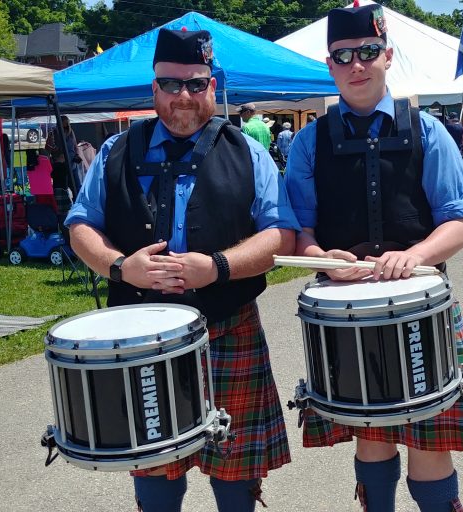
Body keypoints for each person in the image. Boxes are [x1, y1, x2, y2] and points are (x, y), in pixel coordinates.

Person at [65, 28, 297, 512]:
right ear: (153, 90)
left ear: (213, 85)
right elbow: (81, 226)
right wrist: (120, 267)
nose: (183, 96)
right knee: (154, 468)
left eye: (195, 84)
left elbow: (281, 236)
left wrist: (218, 267)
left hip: (228, 328)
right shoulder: (115, 152)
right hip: (139, 338)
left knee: (234, 471)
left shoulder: (249, 152)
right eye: (170, 85)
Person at [284, 5, 463, 510]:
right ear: (330, 64)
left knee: (431, 443)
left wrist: (415, 253)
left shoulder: (429, 132)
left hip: (421, 304)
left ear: (388, 56)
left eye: (369, 53)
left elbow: (457, 224)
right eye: (344, 56)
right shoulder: (309, 143)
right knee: (371, 436)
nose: (357, 65)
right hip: (347, 310)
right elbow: (298, 234)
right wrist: (319, 258)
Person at [45, 115, 78, 220]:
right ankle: (62, 214)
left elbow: (75, 146)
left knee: (76, 188)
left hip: (72, 165)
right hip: (60, 166)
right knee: (61, 191)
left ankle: (77, 210)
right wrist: (55, 151)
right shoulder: (54, 133)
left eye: (67, 122)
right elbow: (47, 148)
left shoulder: (71, 132)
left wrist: (77, 155)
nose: (66, 124)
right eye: (64, 122)